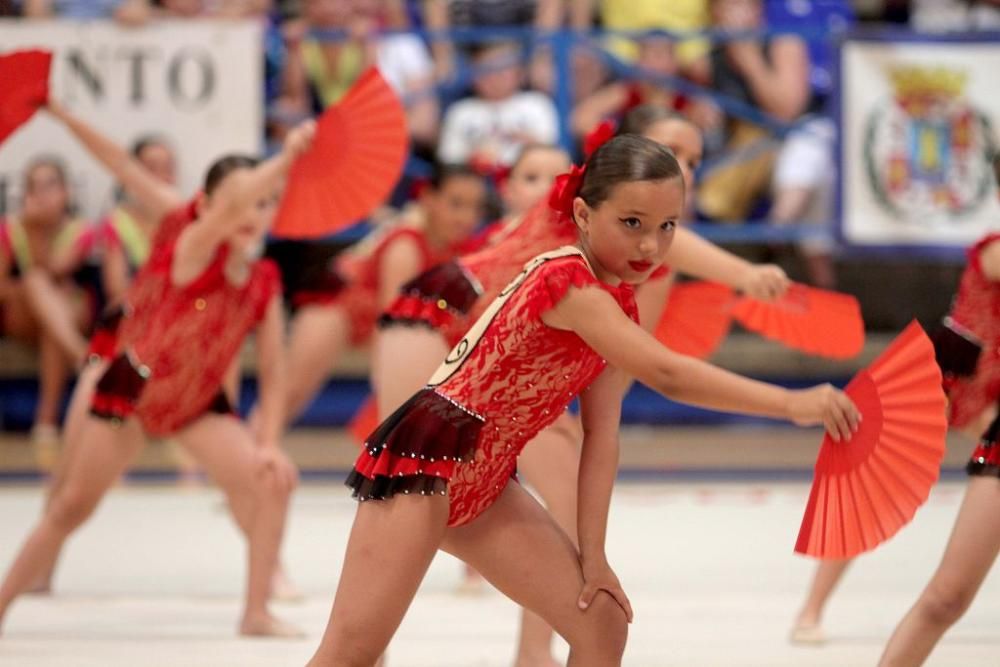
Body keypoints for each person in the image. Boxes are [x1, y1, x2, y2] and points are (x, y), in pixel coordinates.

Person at [305, 134, 860, 666]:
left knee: (601, 623)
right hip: (426, 464)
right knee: (349, 655)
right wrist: (792, 405)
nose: (651, 245)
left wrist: (593, 554)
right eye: (632, 224)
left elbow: (604, 434)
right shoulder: (567, 282)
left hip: (490, 478)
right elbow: (668, 373)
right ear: (583, 216)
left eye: (667, 227)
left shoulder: (618, 302)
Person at [0, 103, 316, 638]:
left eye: (265, 204)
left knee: (271, 482)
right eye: (243, 202)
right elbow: (125, 166)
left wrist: (267, 442)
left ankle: (256, 610)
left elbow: (273, 368)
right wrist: (285, 156)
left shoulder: (263, 278)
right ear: (212, 204)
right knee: (71, 506)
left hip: (194, 402)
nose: (252, 213)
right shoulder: (192, 242)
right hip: (132, 386)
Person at [793, 160, 1000, 658]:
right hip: (950, 374)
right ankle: (811, 607)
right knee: (878, 485)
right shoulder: (993, 251)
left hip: (985, 379)